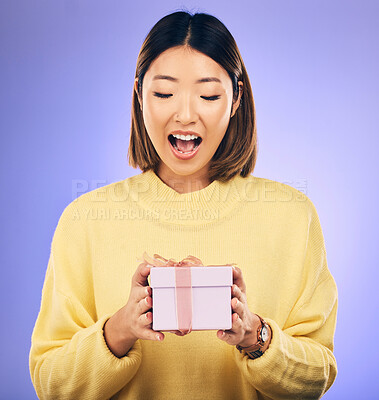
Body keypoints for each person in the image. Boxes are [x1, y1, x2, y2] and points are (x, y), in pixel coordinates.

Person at [29, 10, 338, 400]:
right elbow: (50, 384)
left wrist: (255, 334)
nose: (186, 115)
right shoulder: (85, 220)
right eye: (163, 93)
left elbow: (318, 375)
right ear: (139, 95)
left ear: (237, 98)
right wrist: (119, 330)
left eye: (208, 95)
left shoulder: (293, 216)